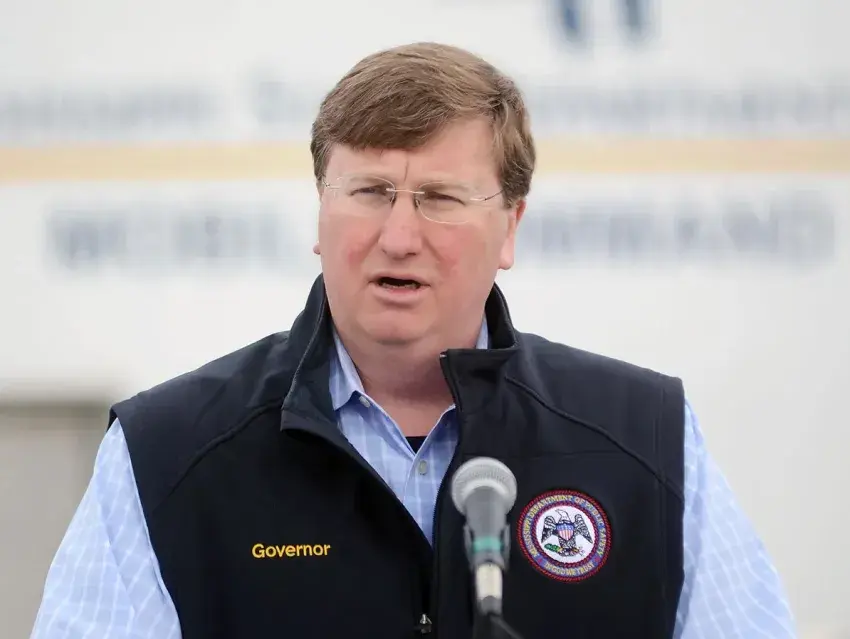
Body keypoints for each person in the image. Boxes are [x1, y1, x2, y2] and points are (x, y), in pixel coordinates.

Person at [30, 42, 796, 639]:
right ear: (319, 212)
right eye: (370, 192)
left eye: (439, 198)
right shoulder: (168, 454)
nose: (399, 236)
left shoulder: (644, 440)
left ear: (511, 227)